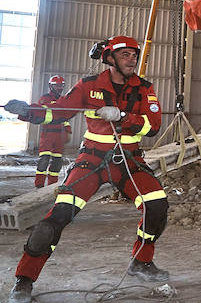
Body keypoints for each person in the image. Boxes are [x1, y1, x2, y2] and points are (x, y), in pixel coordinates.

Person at [4, 36, 168, 303]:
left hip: (128, 161)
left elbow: (154, 126)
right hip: (90, 161)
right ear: (110, 58)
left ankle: (141, 262)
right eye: (125, 55)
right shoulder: (89, 86)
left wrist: (123, 117)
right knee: (55, 218)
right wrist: (27, 111)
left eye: (134, 55)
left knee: (157, 205)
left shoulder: (145, 89)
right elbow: (56, 113)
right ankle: (24, 280)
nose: (132, 60)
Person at [32, 76, 71, 187]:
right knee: (44, 160)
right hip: (48, 134)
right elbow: (41, 114)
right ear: (51, 86)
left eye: (61, 85)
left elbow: (65, 117)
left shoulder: (63, 100)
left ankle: (51, 186)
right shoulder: (45, 99)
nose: (59, 88)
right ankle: (39, 186)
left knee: (57, 162)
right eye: (57, 85)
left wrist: (68, 131)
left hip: (60, 135)